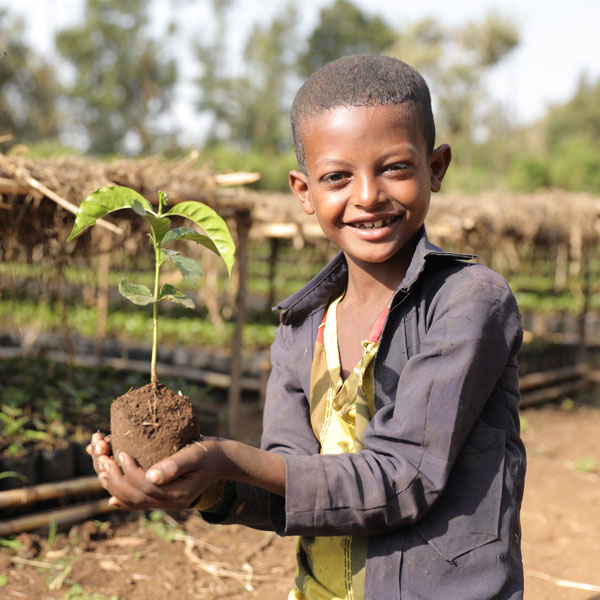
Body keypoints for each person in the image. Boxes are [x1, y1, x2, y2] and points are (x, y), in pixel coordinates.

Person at [89, 54, 526, 599]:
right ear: (303, 192)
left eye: (395, 167)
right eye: (337, 177)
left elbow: (403, 478)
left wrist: (225, 456)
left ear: (435, 168)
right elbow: (286, 488)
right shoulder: (303, 328)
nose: (367, 195)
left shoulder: (467, 303)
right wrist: (193, 487)